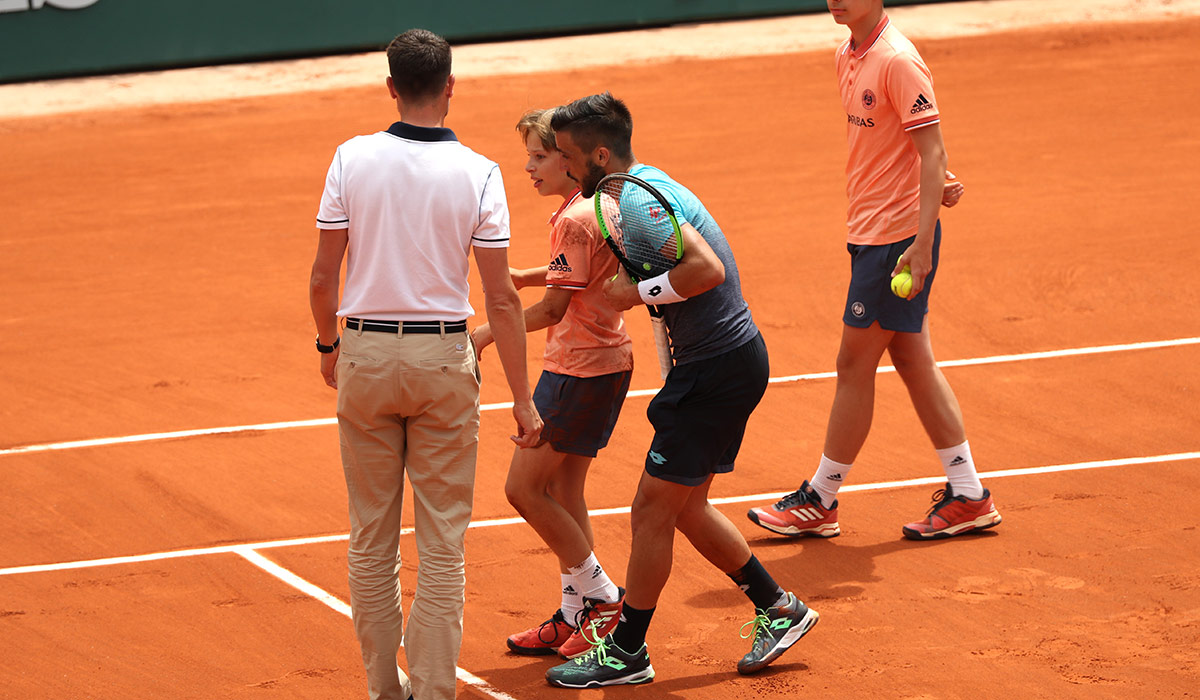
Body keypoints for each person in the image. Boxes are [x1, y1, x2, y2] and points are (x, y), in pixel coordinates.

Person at [541, 92, 819, 688]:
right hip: (725, 362)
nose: (563, 167)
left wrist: (634, 294)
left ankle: (627, 651)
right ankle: (780, 609)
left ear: (598, 153)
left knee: (650, 511)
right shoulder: (640, 182)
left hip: (716, 370)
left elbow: (704, 271)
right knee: (687, 507)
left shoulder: (629, 202)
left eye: (567, 157)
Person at [308, 28, 542, 700]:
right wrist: (523, 400)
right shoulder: (481, 172)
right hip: (444, 359)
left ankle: (387, 692)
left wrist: (330, 345)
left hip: (367, 355)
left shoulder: (350, 159)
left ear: (389, 86)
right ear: (449, 87)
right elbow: (499, 298)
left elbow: (325, 276)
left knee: (370, 541)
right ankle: (435, 693)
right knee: (442, 547)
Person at [747, 0, 1000, 541]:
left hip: (896, 241)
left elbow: (931, 152)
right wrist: (935, 178)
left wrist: (924, 239)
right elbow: (903, 143)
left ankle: (821, 497)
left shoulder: (897, 60)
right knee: (912, 359)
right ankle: (969, 494)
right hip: (870, 232)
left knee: (853, 363)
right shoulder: (847, 55)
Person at [470, 108, 633, 660]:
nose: (528, 168)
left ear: (568, 159)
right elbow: (580, 268)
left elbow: (554, 308)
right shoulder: (593, 205)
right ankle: (574, 614)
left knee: (523, 490)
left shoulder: (571, 219)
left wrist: (486, 333)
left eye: (540, 157)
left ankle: (602, 597)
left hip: (579, 370)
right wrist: (526, 273)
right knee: (564, 492)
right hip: (605, 365)